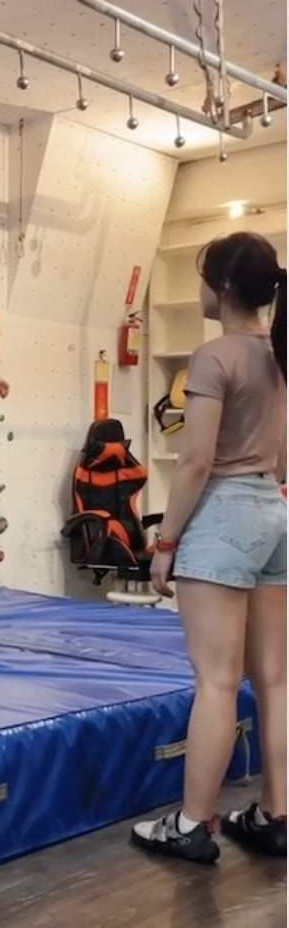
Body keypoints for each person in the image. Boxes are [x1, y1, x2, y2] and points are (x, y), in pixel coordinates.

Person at [133, 232, 286, 864]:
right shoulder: (279, 354)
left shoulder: (213, 356)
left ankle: (193, 823)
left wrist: (165, 543)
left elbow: (194, 461)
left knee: (217, 682)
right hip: (273, 512)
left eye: (203, 277)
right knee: (276, 680)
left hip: (223, 514)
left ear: (222, 288)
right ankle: (278, 815)